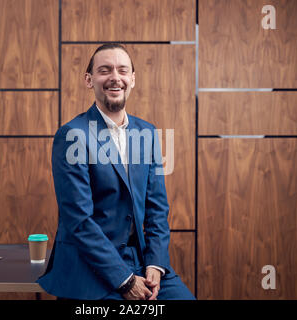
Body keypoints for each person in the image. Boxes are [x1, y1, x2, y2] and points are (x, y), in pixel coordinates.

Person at [37, 43, 195, 300]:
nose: (115, 77)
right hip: (90, 266)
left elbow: (157, 209)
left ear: (132, 79)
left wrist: (155, 264)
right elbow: (79, 221)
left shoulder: (147, 133)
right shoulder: (72, 135)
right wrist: (125, 280)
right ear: (89, 80)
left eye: (123, 70)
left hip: (141, 260)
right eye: (105, 70)